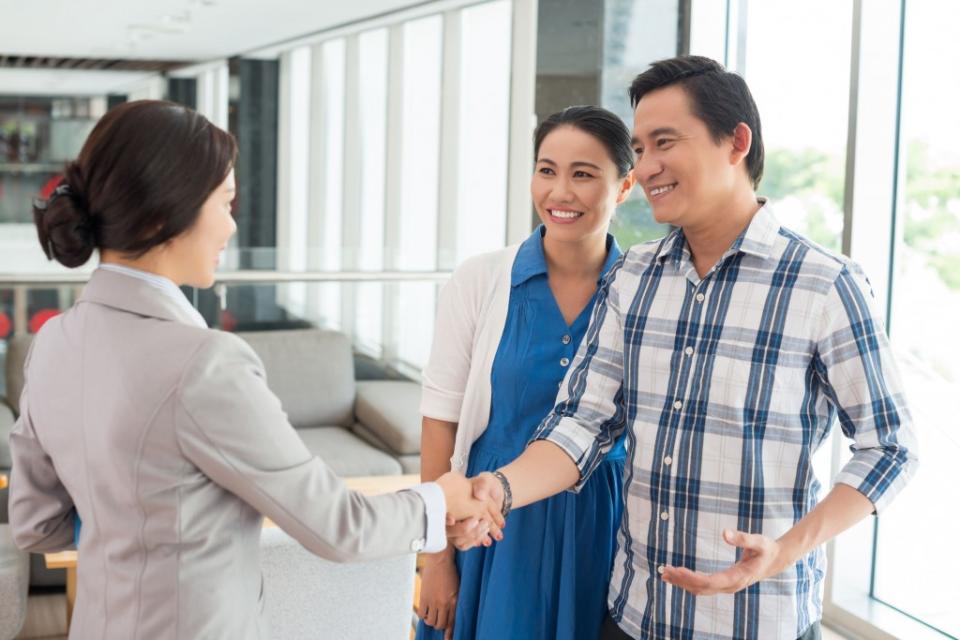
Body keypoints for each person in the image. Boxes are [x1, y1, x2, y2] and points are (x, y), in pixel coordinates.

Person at [451, 56, 918, 640]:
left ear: (736, 142)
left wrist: (785, 549)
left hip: (754, 622)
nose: (647, 167)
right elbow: (583, 422)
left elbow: (891, 447)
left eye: (664, 142)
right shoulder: (634, 277)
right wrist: (501, 487)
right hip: (633, 614)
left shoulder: (824, 285)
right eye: (640, 148)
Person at [8, 100, 500, 639]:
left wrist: (132, 524)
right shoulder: (203, 362)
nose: (231, 225)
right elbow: (339, 526)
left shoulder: (51, 342)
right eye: (224, 203)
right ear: (160, 215)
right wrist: (443, 499)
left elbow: (36, 523)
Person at [416, 105, 636, 640]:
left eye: (583, 174)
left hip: (599, 521)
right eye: (546, 170)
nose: (560, 192)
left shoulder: (642, 288)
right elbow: (439, 420)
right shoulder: (482, 279)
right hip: (489, 521)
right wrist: (437, 559)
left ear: (625, 185)